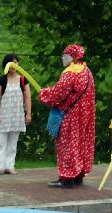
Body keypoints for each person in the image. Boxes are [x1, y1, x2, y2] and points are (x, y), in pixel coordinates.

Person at [39, 44, 95, 188]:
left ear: (72, 57)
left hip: (71, 116)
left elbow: (58, 94)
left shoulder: (69, 73)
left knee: (67, 144)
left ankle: (67, 177)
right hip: (85, 115)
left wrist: (44, 94)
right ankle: (78, 175)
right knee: (81, 143)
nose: (62, 58)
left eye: (65, 55)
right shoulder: (86, 71)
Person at [0, 54, 32, 175]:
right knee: (0, 141)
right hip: (4, 115)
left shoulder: (23, 80)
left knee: (13, 143)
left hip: (17, 115)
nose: (14, 65)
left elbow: (28, 98)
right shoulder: (1, 80)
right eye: (11, 63)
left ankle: (9, 165)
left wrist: (28, 114)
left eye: (16, 63)